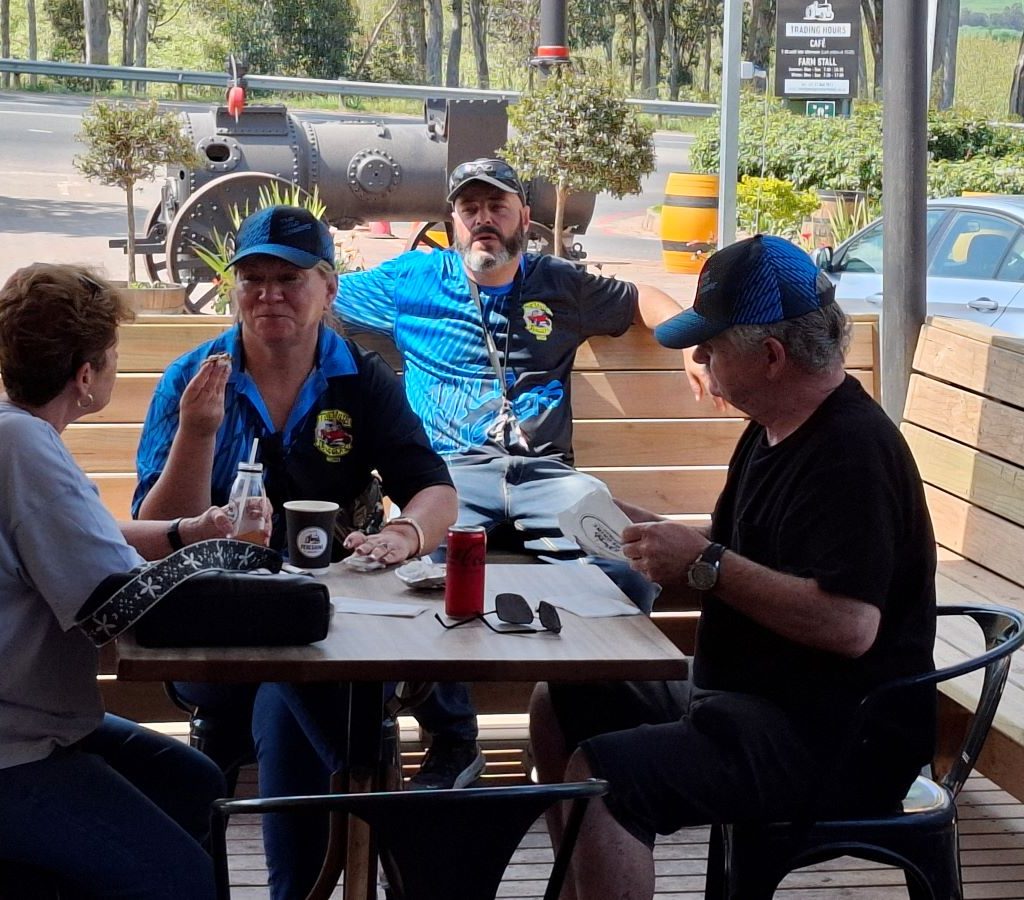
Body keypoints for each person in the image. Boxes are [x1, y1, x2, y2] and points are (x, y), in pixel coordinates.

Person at [527, 235, 938, 900]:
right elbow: (756, 546)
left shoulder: (852, 453)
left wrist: (706, 565)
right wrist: (642, 528)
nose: (700, 358)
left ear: (772, 357)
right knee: (561, 701)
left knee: (607, 779)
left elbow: (851, 625)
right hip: (749, 700)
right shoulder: (773, 425)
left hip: (836, 736)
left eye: (712, 346)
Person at [132, 205, 459, 898]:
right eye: (253, 277)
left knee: (294, 696)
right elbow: (152, 529)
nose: (269, 294)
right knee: (300, 702)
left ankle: (306, 884)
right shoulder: (195, 378)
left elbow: (433, 489)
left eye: (289, 278)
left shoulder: (361, 382)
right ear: (233, 286)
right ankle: (383, 823)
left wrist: (405, 534)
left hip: (326, 625)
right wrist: (197, 432)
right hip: (211, 631)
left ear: (329, 287)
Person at [334, 157, 686, 787]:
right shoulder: (411, 279)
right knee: (414, 578)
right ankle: (454, 741)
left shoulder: (561, 283)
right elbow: (320, 292)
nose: (483, 222)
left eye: (497, 208)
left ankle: (585, 731)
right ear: (452, 221)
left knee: (620, 560)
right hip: (449, 478)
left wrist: (692, 345)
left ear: (524, 216)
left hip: (548, 477)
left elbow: (642, 300)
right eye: (470, 210)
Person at [0, 264, 231, 898]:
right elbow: (118, 609)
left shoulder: (12, 434)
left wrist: (193, 532)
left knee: (192, 782)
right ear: (85, 377)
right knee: (183, 881)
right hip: (16, 749)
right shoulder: (27, 449)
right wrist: (250, 584)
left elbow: (78, 541)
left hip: (33, 723)